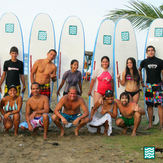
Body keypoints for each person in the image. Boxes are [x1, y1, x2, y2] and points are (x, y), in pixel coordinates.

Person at [139, 45, 163, 130]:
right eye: (149, 50)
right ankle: (150, 124)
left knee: (159, 105)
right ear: (146, 53)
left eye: (152, 50)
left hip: (157, 86)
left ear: (154, 51)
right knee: (149, 105)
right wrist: (141, 81)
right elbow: (139, 69)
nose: (151, 52)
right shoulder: (144, 62)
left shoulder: (160, 61)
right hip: (148, 86)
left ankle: (161, 125)